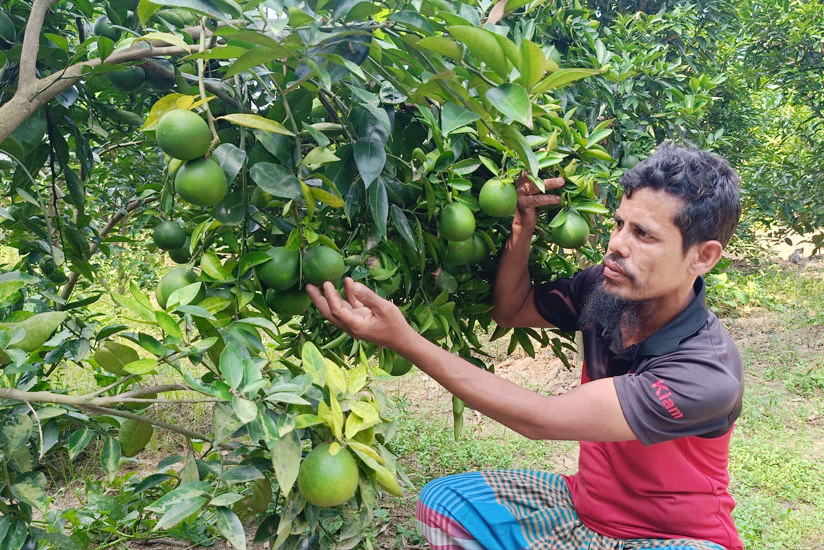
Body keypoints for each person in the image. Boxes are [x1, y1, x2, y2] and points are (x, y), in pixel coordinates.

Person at [306, 143, 744, 550]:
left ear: (702, 256)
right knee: (444, 503)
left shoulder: (704, 373)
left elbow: (541, 420)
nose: (616, 246)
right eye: (618, 224)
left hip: (672, 539)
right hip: (584, 511)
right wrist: (522, 226)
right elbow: (512, 310)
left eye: (643, 235)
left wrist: (403, 340)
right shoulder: (606, 291)